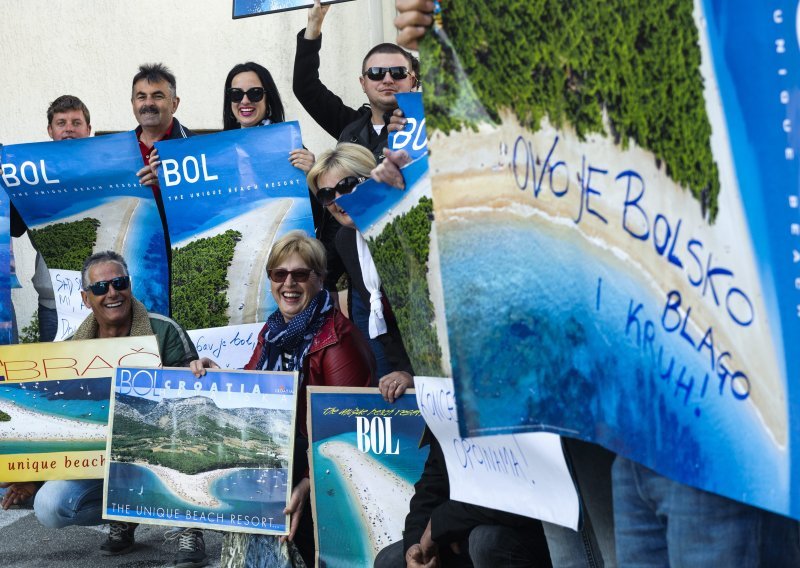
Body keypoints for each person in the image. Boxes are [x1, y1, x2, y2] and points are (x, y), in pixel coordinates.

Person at [0, 251, 208, 568]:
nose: (112, 293)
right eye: (100, 288)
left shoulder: (164, 331)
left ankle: (189, 528)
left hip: (160, 454)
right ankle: (121, 515)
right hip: (99, 464)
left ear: (129, 286)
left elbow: (193, 407)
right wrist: (33, 477)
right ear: (86, 298)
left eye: (119, 283)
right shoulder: (69, 351)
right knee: (50, 505)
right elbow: (58, 426)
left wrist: (198, 376)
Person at [192, 230, 374, 567]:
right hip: (284, 459)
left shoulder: (337, 341)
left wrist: (306, 484)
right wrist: (214, 373)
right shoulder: (274, 330)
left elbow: (345, 433)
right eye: (280, 274)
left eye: (300, 274)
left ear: (320, 279)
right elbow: (251, 384)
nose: (288, 283)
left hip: (320, 470)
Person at [306, 143, 414, 389]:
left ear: (371, 179)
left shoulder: (404, 224)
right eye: (326, 194)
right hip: (400, 366)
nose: (338, 200)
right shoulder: (345, 240)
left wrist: (412, 375)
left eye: (346, 186)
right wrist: (402, 373)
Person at [374, 431, 551, 568]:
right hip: (459, 531)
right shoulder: (448, 412)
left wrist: (445, 523)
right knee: (392, 560)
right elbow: (430, 489)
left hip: (530, 534)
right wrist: (414, 548)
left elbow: (519, 497)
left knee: (485, 541)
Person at [10, 95, 94, 342]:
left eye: (76, 122)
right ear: (50, 130)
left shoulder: (109, 169)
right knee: (61, 379)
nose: (69, 128)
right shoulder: (32, 174)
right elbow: (14, 229)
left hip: (106, 297)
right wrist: (8, 188)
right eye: (61, 122)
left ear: (88, 129)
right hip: (54, 302)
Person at [131, 63, 194, 226]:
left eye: (157, 96)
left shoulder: (196, 148)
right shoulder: (119, 151)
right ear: (133, 104)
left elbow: (209, 210)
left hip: (180, 247)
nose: (148, 103)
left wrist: (168, 188)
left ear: (174, 103)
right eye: (141, 97)